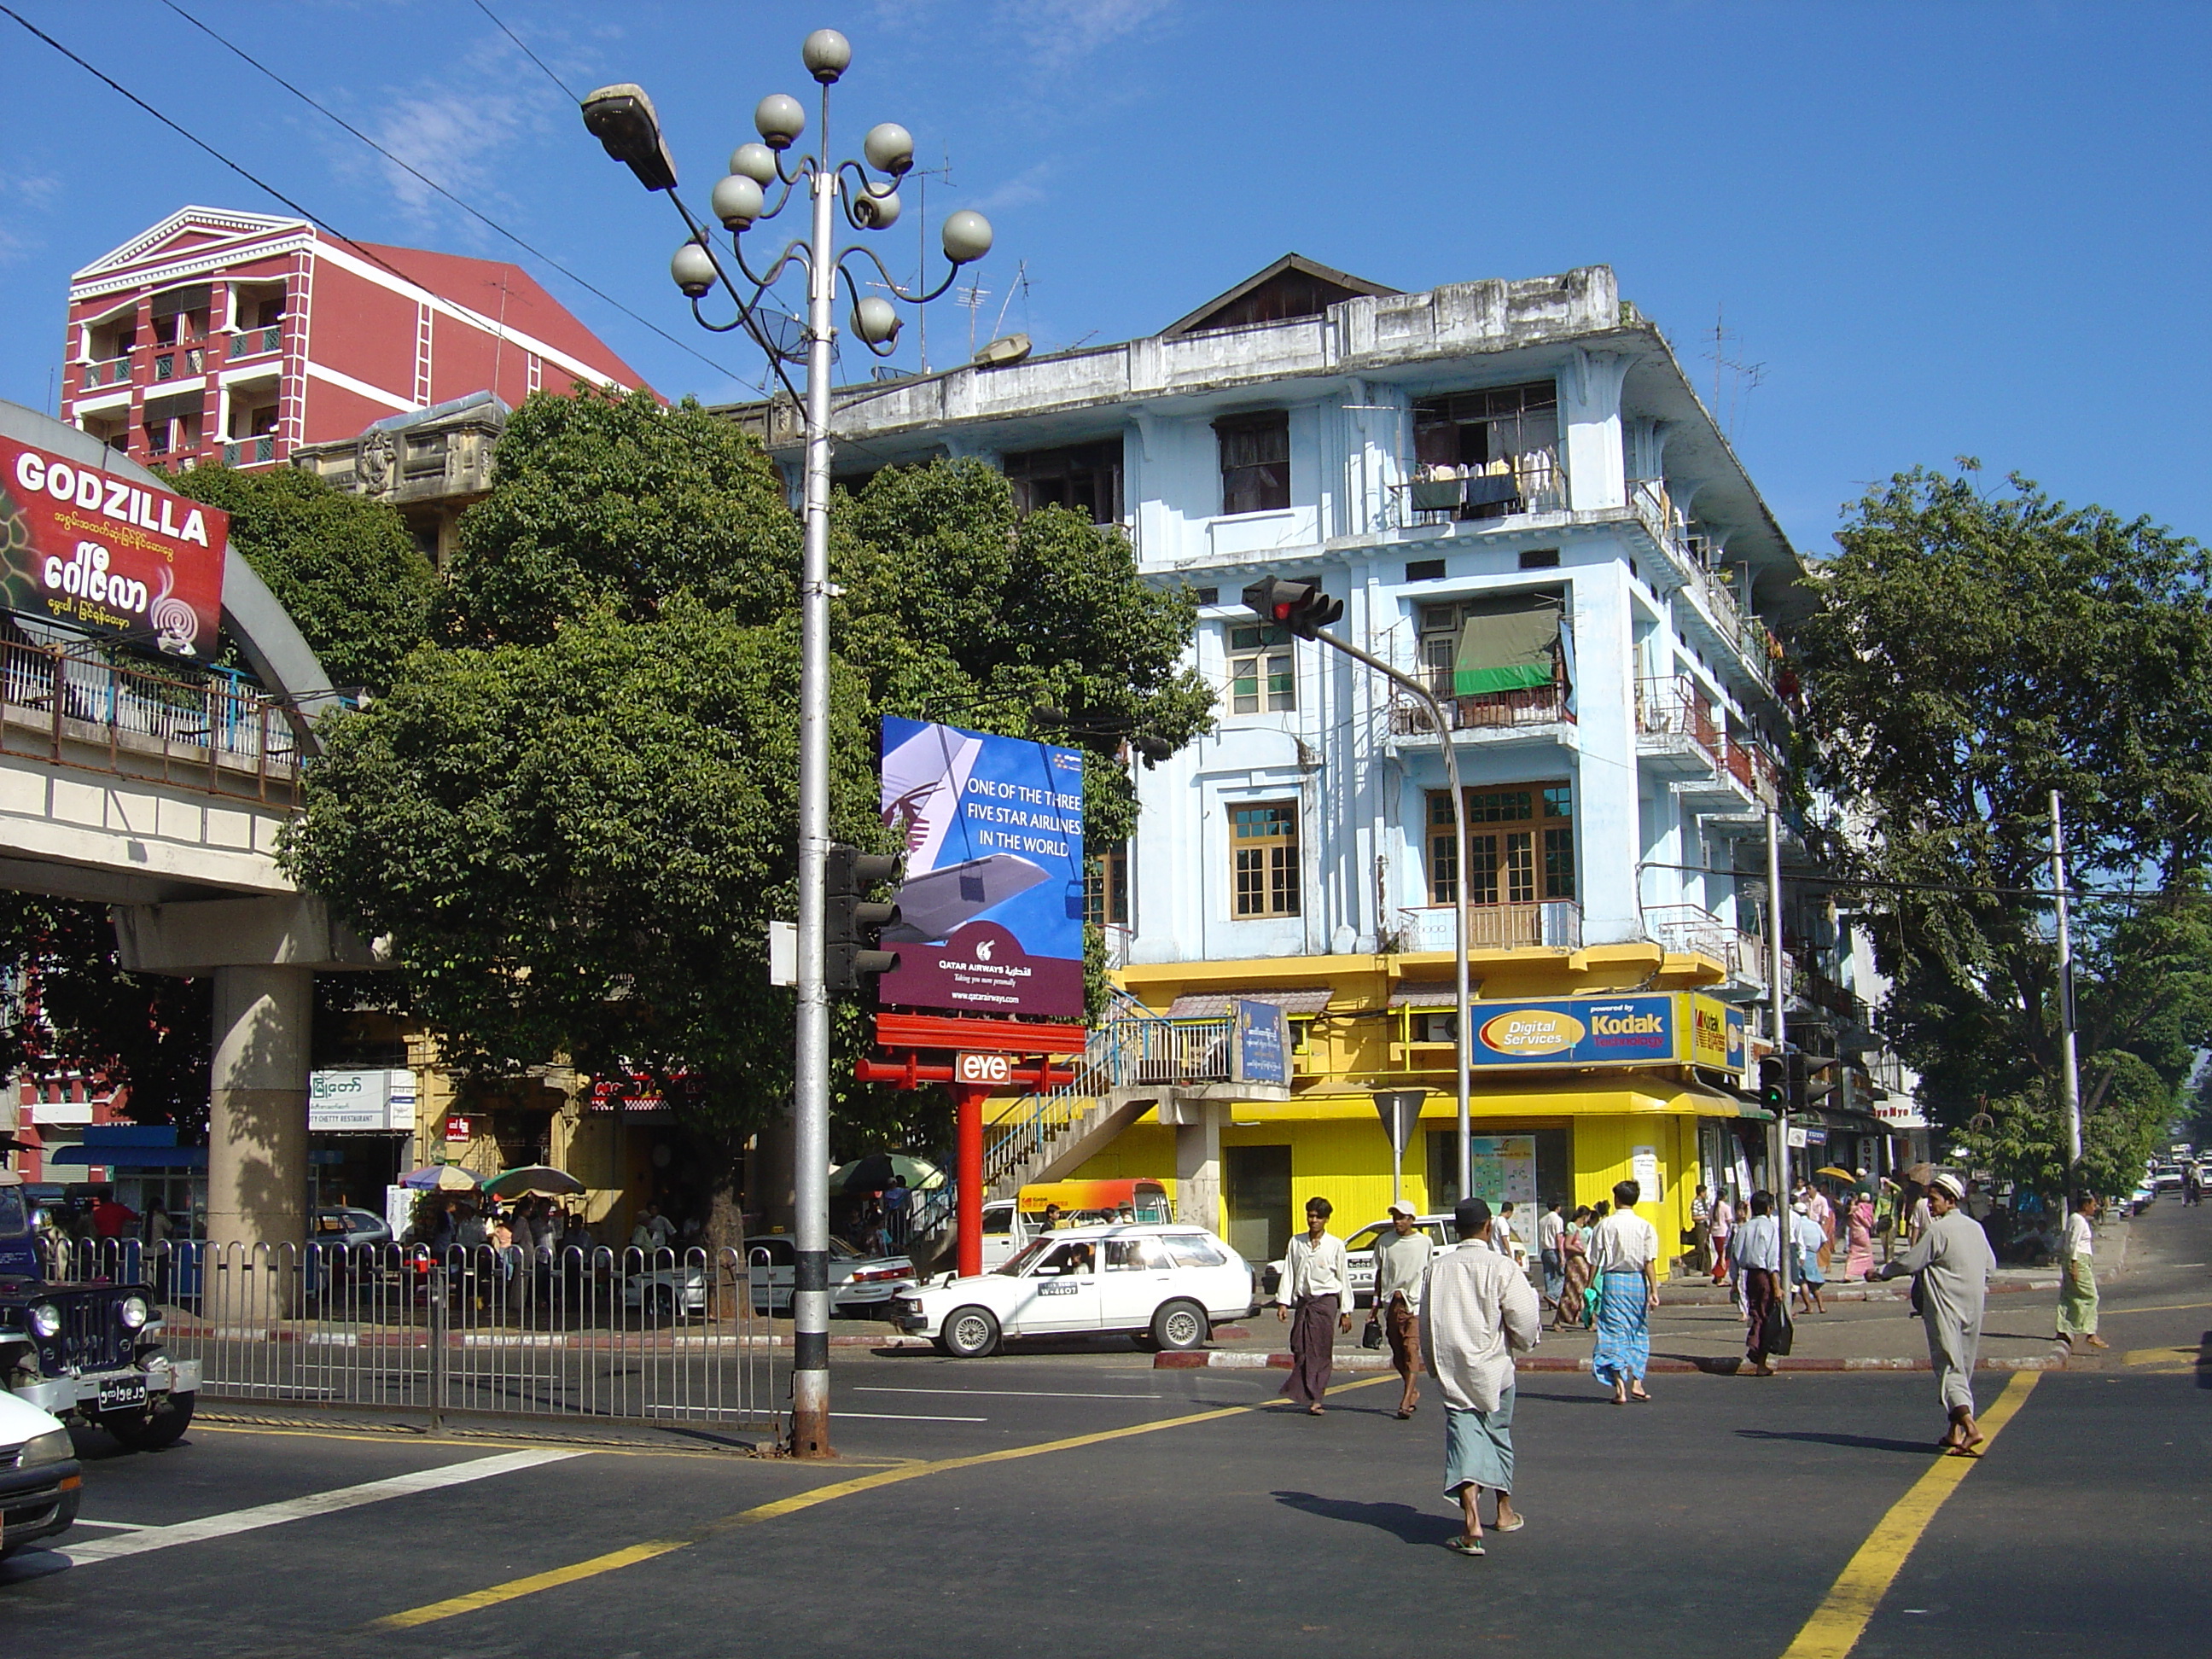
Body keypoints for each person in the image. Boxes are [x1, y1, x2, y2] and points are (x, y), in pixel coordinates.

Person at [1421, 1197, 1541, 1557]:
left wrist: (1431, 1364)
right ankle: (1504, 1511)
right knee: (1497, 1434)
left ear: (1458, 1229)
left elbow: (1425, 1323)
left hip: (1454, 1372)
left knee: (1464, 1441)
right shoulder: (1502, 1267)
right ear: (1488, 1227)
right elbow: (1523, 1320)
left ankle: (1471, 1519)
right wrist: (1523, 1343)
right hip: (1495, 1369)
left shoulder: (1437, 1269)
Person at [1881, 1171, 1998, 1454]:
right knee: (1964, 1364)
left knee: (1948, 1366)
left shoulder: (1938, 1231)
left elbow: (1911, 1262)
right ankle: (1953, 1432)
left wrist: (1882, 1272)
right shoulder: (1974, 1228)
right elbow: (1991, 1267)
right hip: (1973, 1307)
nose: (1930, 1205)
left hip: (1946, 1307)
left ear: (1950, 1200)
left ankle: (1971, 1428)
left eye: (1934, 1200)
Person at [1276, 1196, 1353, 1415]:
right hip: (1304, 1302)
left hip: (1325, 1302)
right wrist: (1283, 1302)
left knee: (1320, 1350)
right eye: (1310, 1216)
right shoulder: (1296, 1242)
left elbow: (1344, 1279)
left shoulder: (1335, 1245)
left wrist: (1346, 1311)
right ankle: (1304, 1390)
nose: (1314, 1221)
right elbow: (1289, 1272)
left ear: (1326, 1220)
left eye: (1318, 1217)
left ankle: (1317, 1397)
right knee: (1299, 1346)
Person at [1587, 1181, 1660, 1405]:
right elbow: (1649, 1262)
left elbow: (1595, 1261)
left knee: (1612, 1332)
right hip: (1637, 1283)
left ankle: (1620, 1388)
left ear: (1617, 1199)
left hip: (1613, 1282)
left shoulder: (1605, 1225)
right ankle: (1637, 1381)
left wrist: (1589, 1287)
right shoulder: (1645, 1226)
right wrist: (1654, 1290)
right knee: (1638, 1330)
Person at [1372, 1199, 1434, 1419]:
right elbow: (1379, 1273)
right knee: (1398, 1353)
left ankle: (1406, 1399)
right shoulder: (1384, 1242)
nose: (1397, 1221)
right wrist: (1375, 1305)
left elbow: (1427, 1274)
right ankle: (1412, 1388)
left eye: (1402, 1217)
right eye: (1395, 1216)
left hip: (1414, 1305)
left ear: (1412, 1220)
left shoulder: (1424, 1243)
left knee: (1411, 1348)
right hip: (1391, 1304)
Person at [1733, 1190, 1786, 1376]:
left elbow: (1735, 1256)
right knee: (1765, 1316)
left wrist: (1734, 1282)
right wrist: (1777, 1287)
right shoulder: (1769, 1227)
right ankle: (1758, 1355)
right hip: (1764, 1276)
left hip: (1749, 1276)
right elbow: (1772, 1261)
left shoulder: (1744, 1228)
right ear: (1769, 1208)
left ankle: (1755, 1349)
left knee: (1756, 1312)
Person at [2055, 1191, 2108, 1352]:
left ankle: (2063, 1329)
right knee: (2091, 1296)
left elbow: (2063, 1240)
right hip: (2078, 1261)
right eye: (2092, 1205)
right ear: (2085, 1205)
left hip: (2078, 1260)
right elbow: (2072, 1243)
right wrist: (2074, 1265)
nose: (2095, 1208)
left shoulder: (2075, 1220)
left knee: (2069, 1296)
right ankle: (2090, 1332)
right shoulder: (2077, 1221)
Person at [1553, 1205, 1593, 1331]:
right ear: (1585, 1217)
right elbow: (1567, 1245)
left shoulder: (1583, 1229)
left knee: (1583, 1291)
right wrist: (1581, 1251)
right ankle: (1559, 1319)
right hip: (1575, 1262)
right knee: (1571, 1291)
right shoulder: (1572, 1227)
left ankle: (1587, 1319)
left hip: (1583, 1261)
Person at [1790, 1199, 1827, 1315]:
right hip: (1812, 1254)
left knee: (1803, 1282)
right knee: (1814, 1282)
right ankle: (1821, 1306)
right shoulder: (1815, 1224)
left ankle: (1809, 1307)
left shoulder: (1796, 1223)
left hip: (1799, 1254)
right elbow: (1824, 1240)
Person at [1536, 1198, 1567, 1314]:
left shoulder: (1542, 1220)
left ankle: (1551, 1302)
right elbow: (1559, 1237)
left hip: (1544, 1250)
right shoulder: (1557, 1220)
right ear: (1557, 1207)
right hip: (1554, 1249)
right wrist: (1562, 1254)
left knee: (1548, 1275)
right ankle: (1552, 1296)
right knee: (1561, 1274)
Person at [1710, 1187, 1737, 1293]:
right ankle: (1719, 1275)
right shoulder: (1726, 1207)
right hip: (1723, 1233)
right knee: (1725, 1257)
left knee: (1720, 1255)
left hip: (1714, 1233)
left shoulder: (1713, 1207)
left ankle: (1718, 1276)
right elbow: (1729, 1221)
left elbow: (1711, 1221)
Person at [1845, 1190, 1875, 1282]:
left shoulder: (1848, 1210)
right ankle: (1869, 1272)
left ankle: (1848, 1274)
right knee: (1867, 1253)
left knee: (1853, 1253)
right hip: (1861, 1232)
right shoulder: (1858, 1209)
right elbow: (1867, 1223)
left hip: (1853, 1232)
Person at [1689, 1184, 1714, 1274]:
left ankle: (1706, 1269)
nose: (1706, 1194)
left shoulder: (1704, 1202)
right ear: (1701, 1192)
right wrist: (1704, 1217)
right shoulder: (1696, 1202)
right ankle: (1684, 1259)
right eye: (1705, 1192)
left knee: (1706, 1247)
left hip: (1705, 1226)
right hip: (1699, 1226)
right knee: (1700, 1248)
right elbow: (1694, 1217)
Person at [883, 1174, 911, 1246]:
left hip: (900, 1212)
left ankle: (900, 1245)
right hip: (892, 1212)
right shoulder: (887, 1192)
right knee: (892, 1231)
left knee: (900, 1231)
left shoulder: (902, 1191)